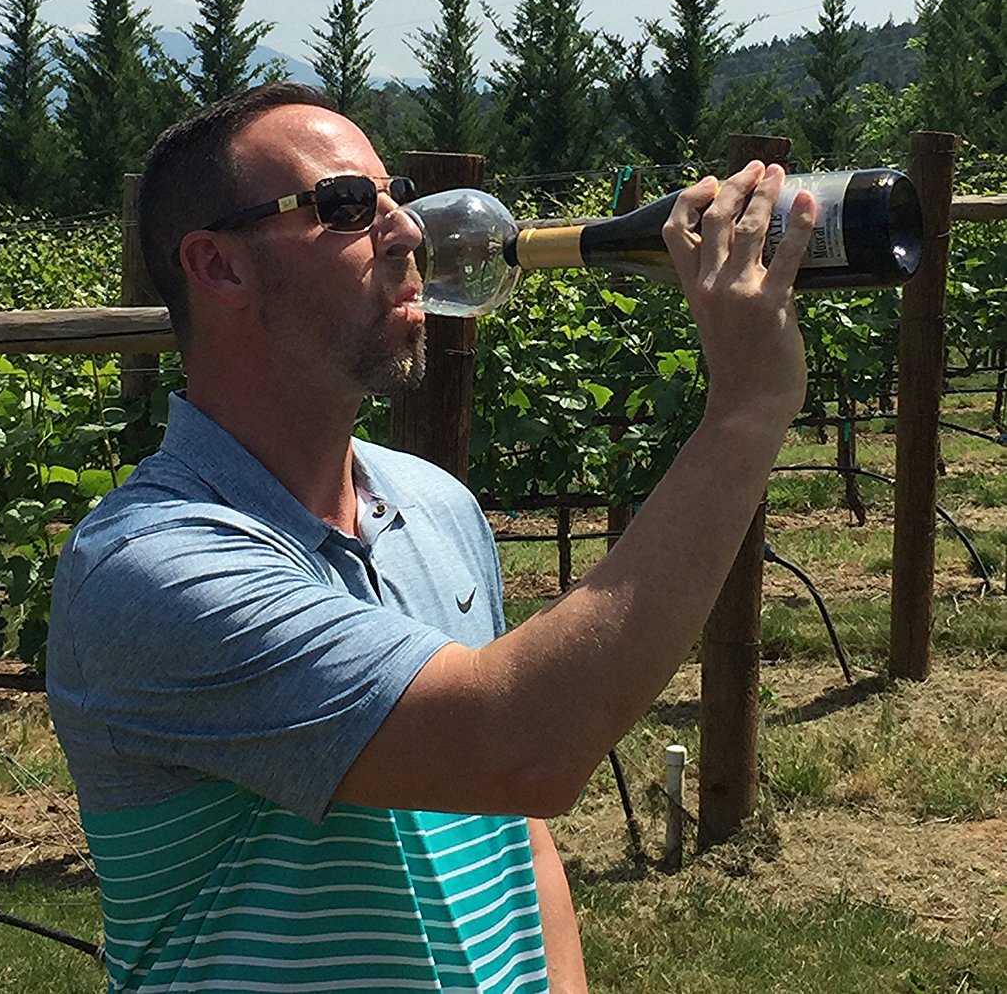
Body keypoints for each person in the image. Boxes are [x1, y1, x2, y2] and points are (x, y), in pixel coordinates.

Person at [46, 81, 817, 994]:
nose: (407, 230)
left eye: (396, 196)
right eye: (345, 205)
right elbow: (519, 746)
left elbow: (512, 822)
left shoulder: (435, 502)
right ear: (219, 267)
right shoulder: (149, 568)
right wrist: (745, 410)